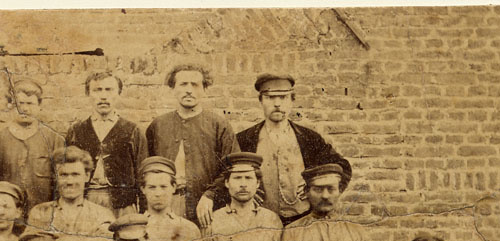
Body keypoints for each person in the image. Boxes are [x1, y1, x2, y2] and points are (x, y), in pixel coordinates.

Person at [196, 74, 350, 228]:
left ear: (292, 101)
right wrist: (212, 196)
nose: (277, 104)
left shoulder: (309, 138)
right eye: (270, 97)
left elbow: (341, 166)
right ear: (261, 101)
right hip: (260, 221)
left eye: (283, 97)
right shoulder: (245, 139)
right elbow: (224, 173)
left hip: (301, 218)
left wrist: (313, 185)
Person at [145, 64, 237, 222]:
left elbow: (232, 168)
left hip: (207, 207)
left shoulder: (218, 125)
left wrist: (210, 195)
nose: (189, 90)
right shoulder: (158, 125)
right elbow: (146, 168)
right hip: (166, 205)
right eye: (183, 84)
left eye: (195, 85)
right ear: (173, 88)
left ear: (204, 89)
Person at [25, 146, 117, 241]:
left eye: (75, 174)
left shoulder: (102, 214)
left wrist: (59, 240)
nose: (69, 181)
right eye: (63, 175)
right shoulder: (40, 213)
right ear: (56, 177)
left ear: (87, 176)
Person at [65, 70, 148, 213]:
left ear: (118, 93)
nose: (103, 96)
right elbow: (66, 171)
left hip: (122, 204)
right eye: (97, 90)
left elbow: (143, 174)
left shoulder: (133, 130)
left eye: (109, 90)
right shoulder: (76, 131)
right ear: (88, 94)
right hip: (85, 200)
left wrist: (145, 210)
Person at [0, 78, 65, 209]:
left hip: (44, 211)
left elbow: (61, 182)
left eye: (30, 103)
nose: (25, 109)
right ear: (10, 106)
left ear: (39, 106)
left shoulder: (54, 139)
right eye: (20, 104)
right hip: (8, 213)